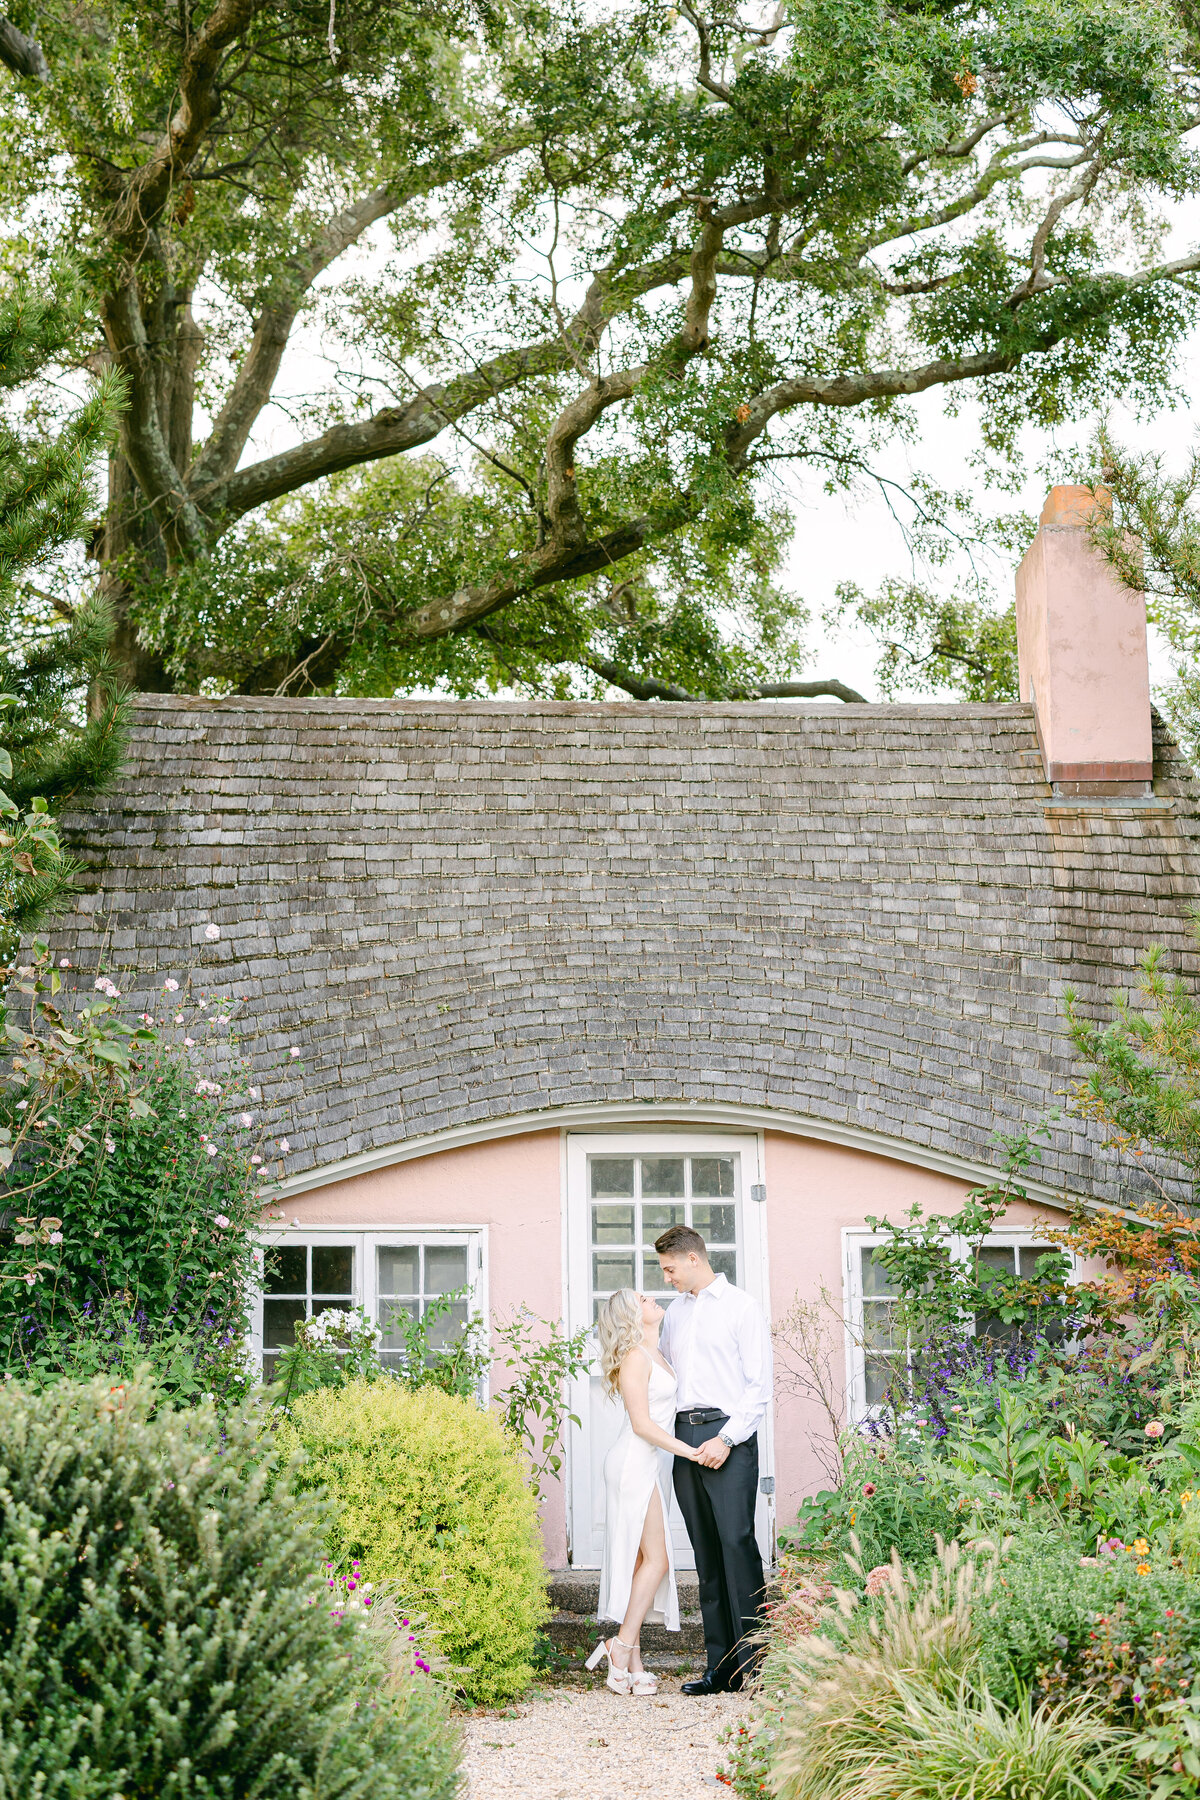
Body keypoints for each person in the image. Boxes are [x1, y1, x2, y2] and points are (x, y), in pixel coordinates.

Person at [656, 1223, 773, 1695]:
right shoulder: (674, 1313)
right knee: (705, 1554)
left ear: (692, 1259)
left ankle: (759, 1666)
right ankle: (720, 1670)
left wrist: (726, 1439)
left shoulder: (742, 1307)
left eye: (669, 1269)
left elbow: (759, 1386)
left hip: (730, 1435)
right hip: (685, 1438)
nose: (667, 1279)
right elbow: (664, 1374)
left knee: (737, 1545)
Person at [585, 1287, 701, 1697]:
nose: (652, 1298)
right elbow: (642, 1424)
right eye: (643, 1299)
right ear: (633, 1316)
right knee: (659, 1559)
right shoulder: (636, 1357)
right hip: (633, 1462)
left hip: (647, 1464)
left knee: (641, 1563)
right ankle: (619, 1649)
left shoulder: (657, 1353)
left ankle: (633, 1665)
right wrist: (691, 1451)